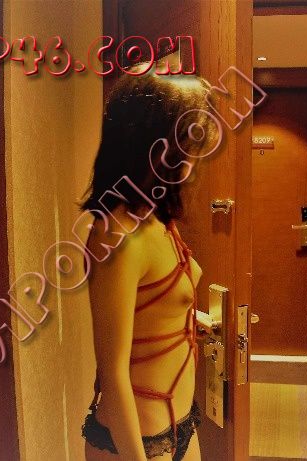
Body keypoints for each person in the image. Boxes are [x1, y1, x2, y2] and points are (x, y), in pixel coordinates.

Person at [80, 61, 218, 461]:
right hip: (136, 444)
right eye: (185, 146)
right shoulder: (117, 234)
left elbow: (151, 307)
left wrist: (187, 320)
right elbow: (113, 373)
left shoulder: (157, 217)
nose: (191, 161)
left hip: (181, 424)